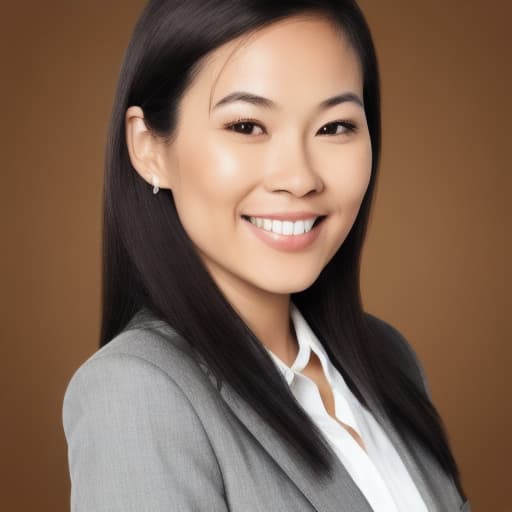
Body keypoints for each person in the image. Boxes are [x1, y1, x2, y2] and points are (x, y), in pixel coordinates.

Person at [62, 1, 471, 510]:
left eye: (335, 126)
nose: (299, 178)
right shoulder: (136, 393)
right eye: (247, 126)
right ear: (150, 149)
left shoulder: (390, 359)